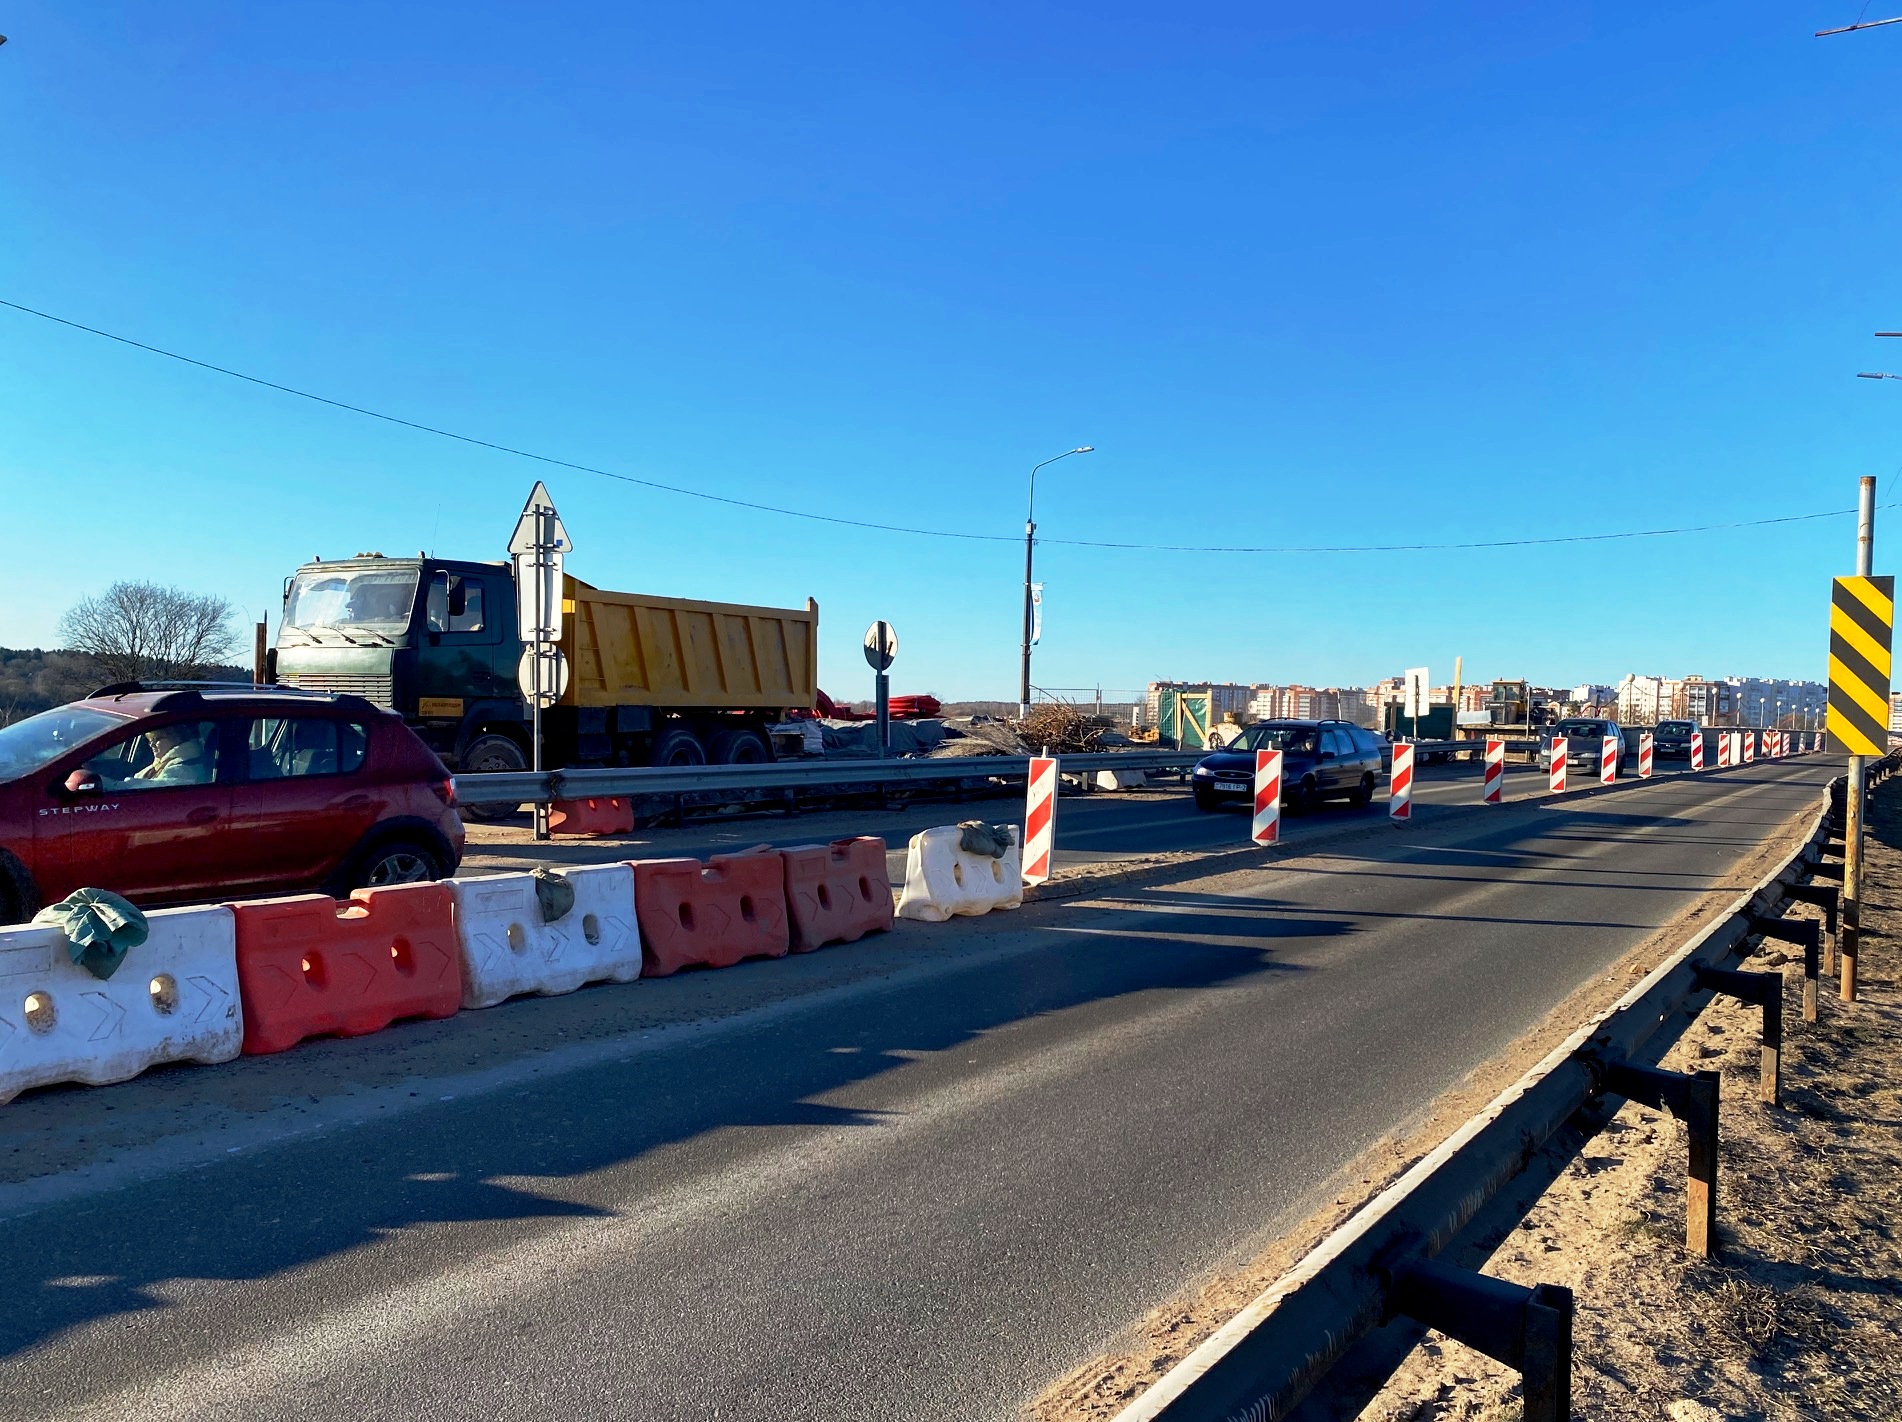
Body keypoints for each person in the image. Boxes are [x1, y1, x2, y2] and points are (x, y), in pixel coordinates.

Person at [132, 723, 214, 786]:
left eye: (156, 739)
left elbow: (155, 787)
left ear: (175, 738)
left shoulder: (184, 767)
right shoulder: (161, 763)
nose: (151, 744)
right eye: (150, 741)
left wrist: (120, 785)